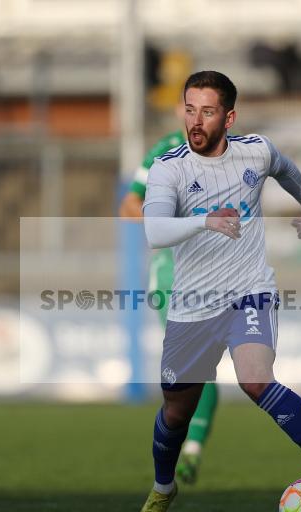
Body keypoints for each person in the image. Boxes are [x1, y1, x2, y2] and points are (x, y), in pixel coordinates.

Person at [132, 70, 301, 512]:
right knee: (176, 411)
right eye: (190, 109)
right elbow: (155, 231)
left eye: (207, 111)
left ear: (229, 117)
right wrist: (204, 222)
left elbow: (286, 169)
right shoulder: (169, 167)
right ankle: (162, 490)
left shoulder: (255, 151)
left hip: (249, 290)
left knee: (255, 379)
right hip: (193, 303)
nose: (195, 121)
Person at [120, 110, 220, 486]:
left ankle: (190, 449)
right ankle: (188, 447)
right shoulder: (165, 151)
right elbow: (128, 205)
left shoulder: (232, 152)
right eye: (191, 107)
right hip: (171, 274)